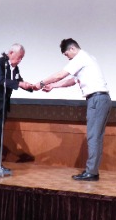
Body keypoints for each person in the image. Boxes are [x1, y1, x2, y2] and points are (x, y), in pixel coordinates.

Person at [34, 38, 111, 181]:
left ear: (72, 49)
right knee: (96, 137)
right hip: (102, 99)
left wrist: (41, 83)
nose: (67, 57)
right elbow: (72, 81)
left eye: (66, 54)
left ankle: (92, 172)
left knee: (93, 137)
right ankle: (92, 171)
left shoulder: (80, 57)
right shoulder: (88, 58)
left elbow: (60, 75)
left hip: (96, 99)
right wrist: (53, 86)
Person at [0, 44, 34, 175]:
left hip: (2, 106)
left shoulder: (15, 68)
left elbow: (19, 81)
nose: (20, 60)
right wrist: (19, 83)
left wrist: (32, 86)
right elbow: (1, 80)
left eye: (22, 58)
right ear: (11, 53)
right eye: (19, 57)